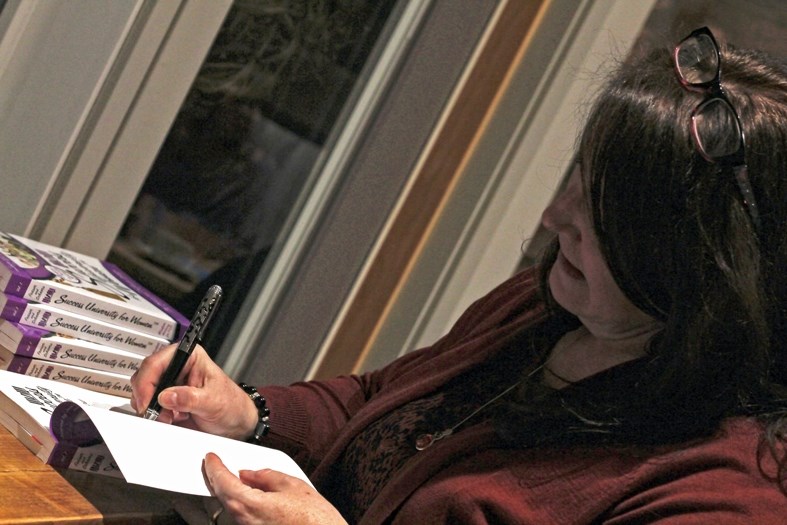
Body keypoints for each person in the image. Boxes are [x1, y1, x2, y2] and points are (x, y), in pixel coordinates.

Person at [131, 27, 787, 524]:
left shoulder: (722, 496)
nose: (555, 216)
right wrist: (252, 413)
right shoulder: (539, 308)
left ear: (703, 272)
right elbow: (376, 401)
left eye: (600, 214)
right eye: (574, 183)